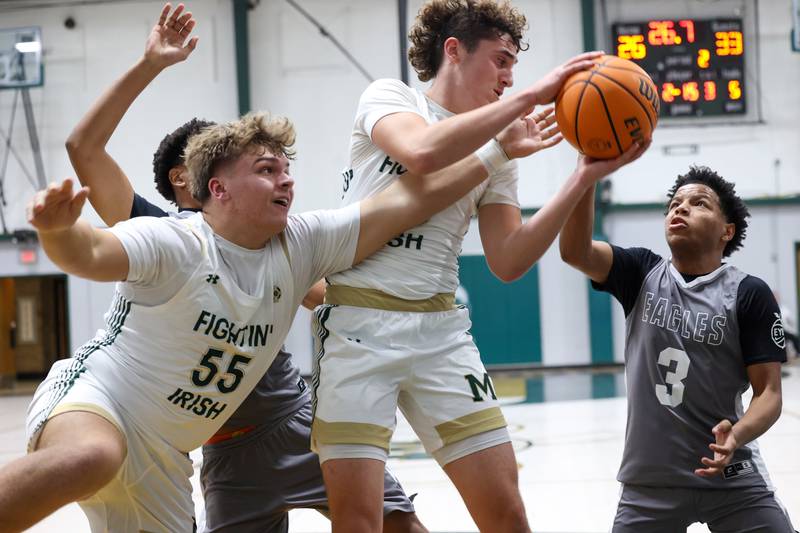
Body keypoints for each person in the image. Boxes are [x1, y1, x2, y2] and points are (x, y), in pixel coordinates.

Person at [64, 4, 421, 531]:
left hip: (290, 416)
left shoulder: (267, 236)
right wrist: (151, 64)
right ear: (190, 176)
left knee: (402, 526)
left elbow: (324, 297)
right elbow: (84, 149)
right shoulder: (156, 234)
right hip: (222, 446)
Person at [310, 1, 648, 531]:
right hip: (358, 326)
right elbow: (422, 153)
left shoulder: (500, 150)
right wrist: (528, 106)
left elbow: (509, 260)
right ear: (454, 50)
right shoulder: (391, 97)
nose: (510, 78)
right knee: (359, 521)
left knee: (508, 515)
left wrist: (582, 177)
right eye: (501, 60)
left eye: (514, 67)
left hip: (440, 332)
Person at [559, 165, 794, 532]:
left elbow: (769, 394)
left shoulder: (748, 293)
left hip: (730, 475)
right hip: (650, 483)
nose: (681, 208)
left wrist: (737, 434)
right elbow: (574, 251)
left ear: (727, 231)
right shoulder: (640, 272)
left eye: (699, 203)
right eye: (674, 204)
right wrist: (586, 176)